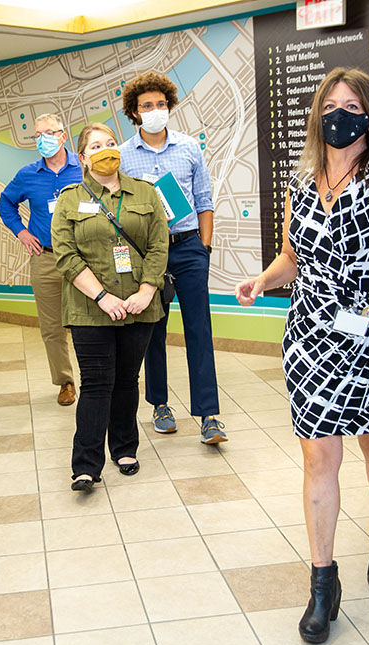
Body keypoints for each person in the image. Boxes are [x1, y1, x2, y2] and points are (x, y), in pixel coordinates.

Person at [234, 49, 369, 644]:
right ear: (316, 117)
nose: (340, 116)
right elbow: (297, 255)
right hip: (311, 335)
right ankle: (323, 582)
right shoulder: (301, 183)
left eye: (352, 108)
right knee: (319, 456)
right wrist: (264, 279)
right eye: (330, 107)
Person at [51, 123, 169, 492]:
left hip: (140, 306)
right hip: (90, 309)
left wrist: (146, 291)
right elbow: (65, 255)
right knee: (97, 383)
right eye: (96, 146)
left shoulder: (146, 193)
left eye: (111, 143)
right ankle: (86, 465)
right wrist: (102, 296)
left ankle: (124, 448)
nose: (106, 150)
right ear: (83, 158)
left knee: (126, 380)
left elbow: (158, 245)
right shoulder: (69, 199)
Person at [118, 72, 226, 445]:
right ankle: (160, 405)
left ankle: (209, 415)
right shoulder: (123, 155)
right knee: (153, 334)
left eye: (161, 104)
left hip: (189, 247)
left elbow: (204, 202)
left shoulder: (189, 148)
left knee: (200, 330)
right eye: (147, 106)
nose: (156, 111)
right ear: (134, 112)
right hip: (148, 254)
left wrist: (204, 248)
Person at [0, 113, 83, 406]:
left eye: (49, 133)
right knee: (52, 327)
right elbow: (5, 203)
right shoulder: (28, 174)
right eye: (37, 135)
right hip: (46, 259)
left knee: (90, 322)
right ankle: (65, 381)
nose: (42, 139)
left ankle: (98, 377)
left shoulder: (84, 167)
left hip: (85, 260)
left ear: (63, 136)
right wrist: (21, 232)